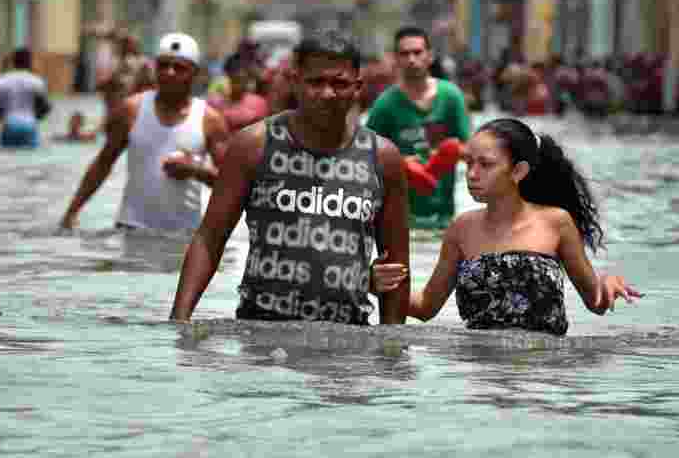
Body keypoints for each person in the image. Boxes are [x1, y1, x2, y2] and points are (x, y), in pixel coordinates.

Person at [169, 29, 411, 325]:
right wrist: (179, 322)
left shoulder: (382, 158)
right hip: (262, 331)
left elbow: (396, 266)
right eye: (315, 82)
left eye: (339, 83)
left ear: (357, 86)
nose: (327, 93)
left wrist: (391, 352)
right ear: (295, 82)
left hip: (348, 340)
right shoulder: (254, 145)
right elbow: (211, 237)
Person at [372, 118, 642, 334]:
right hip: (481, 374)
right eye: (469, 163)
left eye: (485, 165)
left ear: (518, 171)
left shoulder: (556, 223)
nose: (472, 174)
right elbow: (425, 307)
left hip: (546, 377)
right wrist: (370, 283)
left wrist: (608, 283)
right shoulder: (461, 229)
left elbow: (595, 301)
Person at [60, 32, 230, 232]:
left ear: (195, 73)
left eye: (179, 68)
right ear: (154, 68)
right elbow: (103, 163)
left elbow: (231, 183)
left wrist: (196, 171)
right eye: (163, 65)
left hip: (183, 235)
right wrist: (71, 213)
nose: (170, 72)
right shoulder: (131, 109)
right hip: (131, 229)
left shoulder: (210, 120)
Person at [366, 26, 471, 230]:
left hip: (443, 218)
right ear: (396, 59)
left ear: (430, 56)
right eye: (404, 54)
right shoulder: (385, 104)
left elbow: (471, 150)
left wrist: (446, 154)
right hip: (400, 221)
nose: (411, 59)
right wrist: (400, 163)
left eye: (417, 52)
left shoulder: (451, 97)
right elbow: (366, 154)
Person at [0, 48, 51, 149]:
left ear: (13, 61)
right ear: (29, 62)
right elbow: (45, 107)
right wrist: (36, 116)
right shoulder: (37, 81)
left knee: (6, 158)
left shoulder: (1, 80)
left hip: (9, 124)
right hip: (29, 125)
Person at [208, 52, 270, 132]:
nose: (239, 83)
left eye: (243, 79)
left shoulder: (259, 104)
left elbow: (262, 130)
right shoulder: (214, 102)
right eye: (236, 79)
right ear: (229, 78)